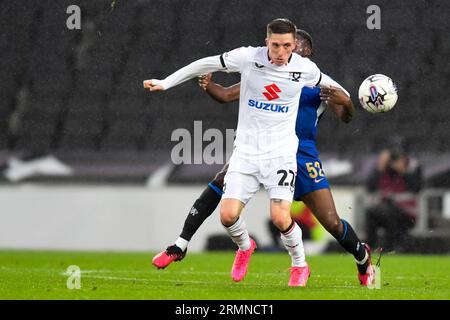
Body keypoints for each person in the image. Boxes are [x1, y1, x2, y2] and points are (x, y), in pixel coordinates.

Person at [152, 29, 376, 286]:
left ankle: (362, 257)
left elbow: (346, 116)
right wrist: (208, 85)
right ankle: (181, 244)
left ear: (307, 53)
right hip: (260, 148)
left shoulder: (316, 83)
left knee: (331, 222)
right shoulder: (267, 73)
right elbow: (226, 95)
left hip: (301, 155)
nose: (287, 53)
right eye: (282, 47)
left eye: (295, 48)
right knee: (219, 186)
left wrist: (345, 102)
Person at [365, 137, 423, 252]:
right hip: (385, 209)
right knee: (371, 212)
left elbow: (417, 188)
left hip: (407, 211)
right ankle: (368, 248)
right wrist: (380, 169)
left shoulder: (413, 165)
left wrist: (403, 172)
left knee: (389, 213)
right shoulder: (383, 165)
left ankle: (390, 248)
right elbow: (370, 187)